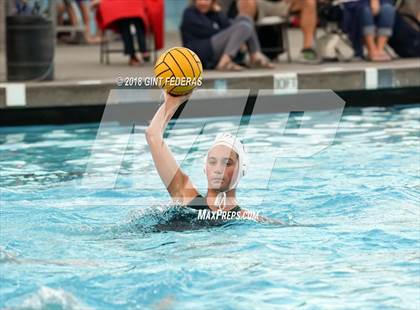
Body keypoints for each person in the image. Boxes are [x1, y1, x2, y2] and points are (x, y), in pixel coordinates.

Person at [145, 92, 282, 224]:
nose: (218, 170)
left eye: (227, 163)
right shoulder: (186, 197)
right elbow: (153, 135)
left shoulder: (249, 219)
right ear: (205, 167)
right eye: (212, 162)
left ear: (242, 169)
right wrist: (172, 101)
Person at [180, 0, 275, 71]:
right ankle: (225, 62)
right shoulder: (189, 13)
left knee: (245, 19)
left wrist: (219, 12)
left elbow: (226, 26)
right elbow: (210, 31)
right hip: (201, 52)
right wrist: (235, 36)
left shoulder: (213, 13)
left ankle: (255, 55)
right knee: (243, 27)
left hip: (214, 47)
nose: (204, 3)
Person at [226, 0, 319, 63]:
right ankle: (249, 52)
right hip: (258, 3)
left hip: (283, 3)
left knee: (309, 1)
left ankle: (307, 49)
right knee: (244, 2)